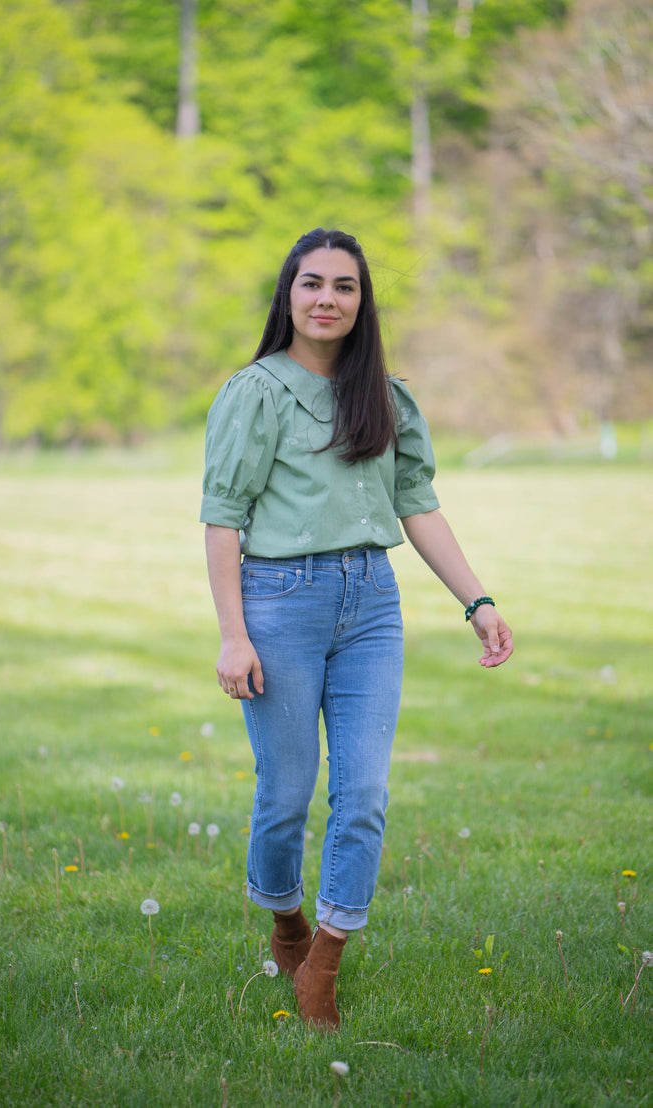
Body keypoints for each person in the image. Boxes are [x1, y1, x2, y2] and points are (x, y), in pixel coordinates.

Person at [200, 228, 513, 1032]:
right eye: (312, 284)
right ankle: (285, 922)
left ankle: (324, 966)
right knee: (285, 795)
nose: (327, 299)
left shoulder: (389, 396)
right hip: (280, 601)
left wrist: (478, 603)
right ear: (288, 295)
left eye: (344, 286)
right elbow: (222, 520)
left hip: (372, 602)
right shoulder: (256, 391)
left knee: (364, 793)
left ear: (362, 301)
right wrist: (234, 635)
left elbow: (418, 506)